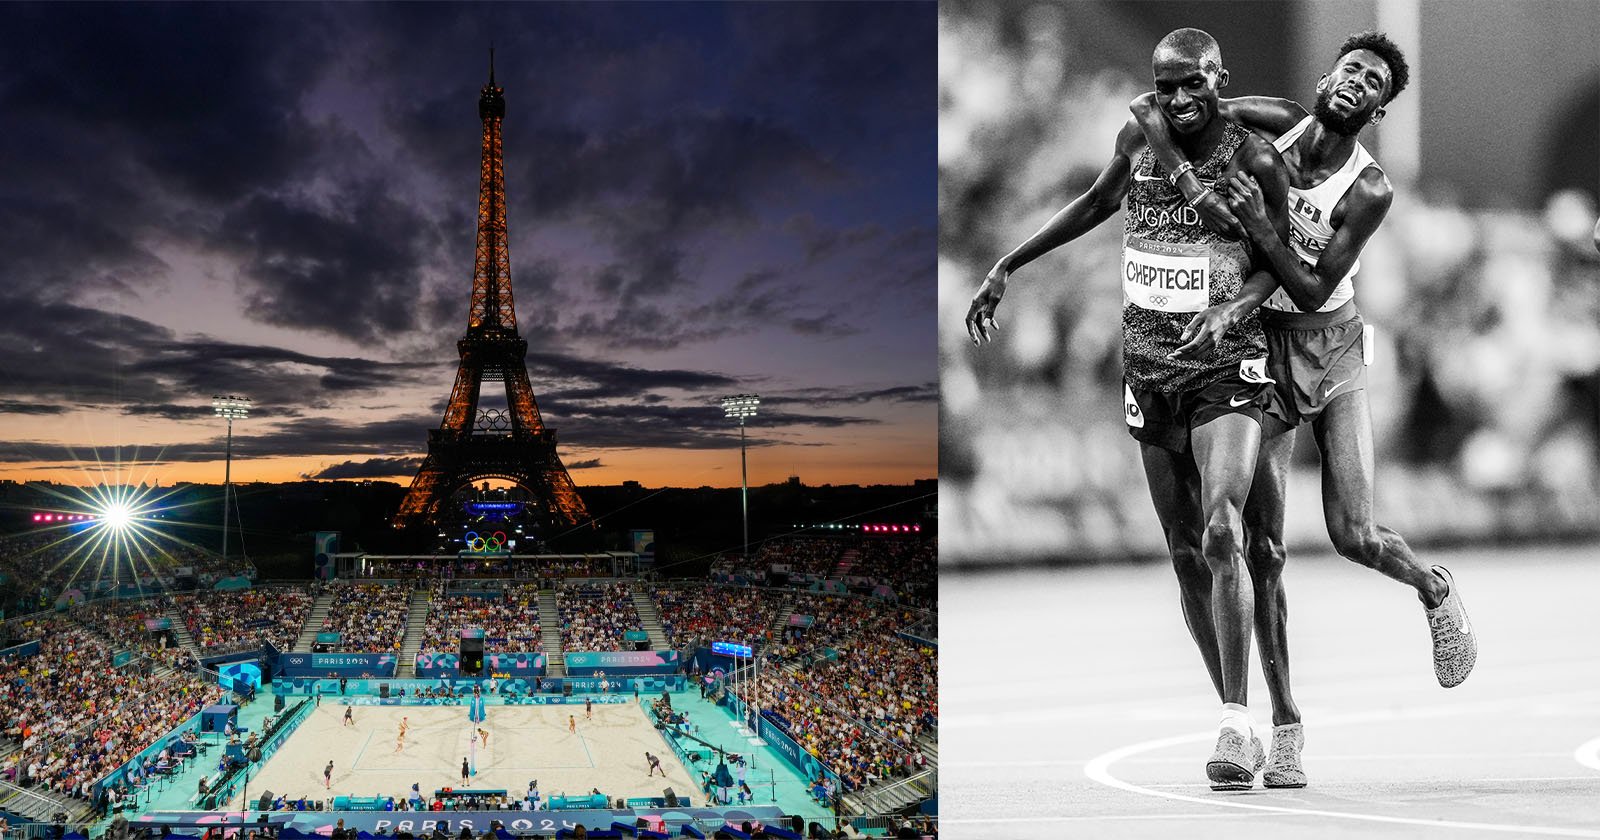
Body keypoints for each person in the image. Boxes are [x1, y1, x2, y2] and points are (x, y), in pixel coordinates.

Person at [1128, 30, 1477, 786]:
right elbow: (1159, 105)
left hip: (1335, 345)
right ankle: (1284, 725)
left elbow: (1317, 287)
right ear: (1326, 77)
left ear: (1380, 107)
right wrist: (1186, 180)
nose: (1357, 81)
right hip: (1263, 345)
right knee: (1265, 550)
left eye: (1374, 81)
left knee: (1352, 533)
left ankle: (1433, 588)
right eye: (1351, 67)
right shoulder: (1275, 119)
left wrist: (1258, 225)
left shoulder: (1370, 187)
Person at [967, 27, 1293, 790]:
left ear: (1221, 79)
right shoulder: (1134, 136)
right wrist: (1007, 263)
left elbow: (1285, 267)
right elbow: (1094, 201)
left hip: (1228, 369)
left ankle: (1239, 719)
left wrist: (1237, 305)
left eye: (1194, 84)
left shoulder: (1255, 157)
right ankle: (1235, 713)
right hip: (1149, 371)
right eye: (1166, 85)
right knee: (1183, 551)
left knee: (1222, 528)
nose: (1180, 99)